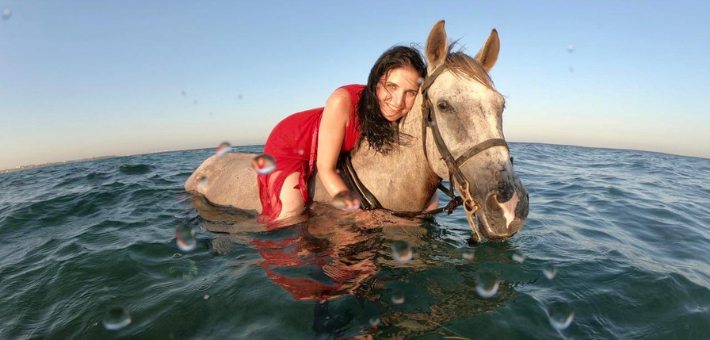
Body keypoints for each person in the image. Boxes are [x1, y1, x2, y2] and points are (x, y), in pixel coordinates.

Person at [257, 45, 435, 223]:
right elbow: (326, 169)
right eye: (391, 86)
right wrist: (356, 213)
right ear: (376, 83)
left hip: (329, 143)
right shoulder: (342, 100)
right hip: (291, 142)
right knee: (291, 215)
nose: (398, 101)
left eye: (410, 92)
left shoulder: (399, 111)